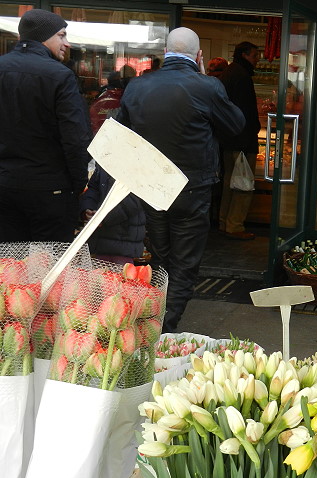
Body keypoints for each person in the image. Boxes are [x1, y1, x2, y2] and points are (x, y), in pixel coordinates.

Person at [116, 27, 245, 333]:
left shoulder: (137, 86)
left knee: (161, 259)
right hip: (191, 190)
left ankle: (152, 325)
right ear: (198, 56)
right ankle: (161, 330)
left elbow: (121, 132)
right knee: (184, 265)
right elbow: (236, 125)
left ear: (165, 52)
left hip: (151, 188)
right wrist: (205, 81)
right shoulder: (207, 86)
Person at [0, 9, 91, 242]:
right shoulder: (60, 76)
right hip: (51, 191)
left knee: (9, 266)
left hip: (5, 186)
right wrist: (79, 183)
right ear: (43, 36)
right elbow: (75, 139)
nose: (67, 43)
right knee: (48, 267)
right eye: (61, 35)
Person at [218, 41, 261, 240]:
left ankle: (224, 222)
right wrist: (250, 135)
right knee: (243, 184)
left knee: (229, 183)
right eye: (255, 55)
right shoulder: (242, 76)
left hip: (229, 139)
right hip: (242, 140)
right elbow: (245, 111)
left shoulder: (229, 72)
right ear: (244, 55)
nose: (257, 59)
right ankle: (235, 225)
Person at [80, 165, 145, 265]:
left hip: (125, 239)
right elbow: (93, 188)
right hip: (100, 239)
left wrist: (104, 217)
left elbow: (134, 199)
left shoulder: (139, 162)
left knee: (121, 278)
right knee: (98, 276)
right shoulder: (105, 158)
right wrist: (88, 208)